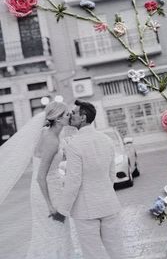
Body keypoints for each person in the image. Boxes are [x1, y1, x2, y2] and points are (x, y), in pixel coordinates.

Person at [0, 101, 78, 259]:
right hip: (48, 193)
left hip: (50, 188)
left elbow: (48, 166)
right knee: (56, 233)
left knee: (50, 233)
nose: (70, 116)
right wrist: (50, 206)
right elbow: (41, 176)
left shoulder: (47, 132)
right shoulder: (52, 140)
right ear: (58, 119)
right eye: (67, 114)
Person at [53, 100, 124, 259]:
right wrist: (104, 193)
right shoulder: (106, 140)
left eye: (74, 113)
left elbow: (73, 181)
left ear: (83, 117)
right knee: (117, 251)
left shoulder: (74, 144)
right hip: (109, 205)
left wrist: (62, 211)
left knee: (93, 254)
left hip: (86, 211)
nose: (71, 116)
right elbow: (111, 174)